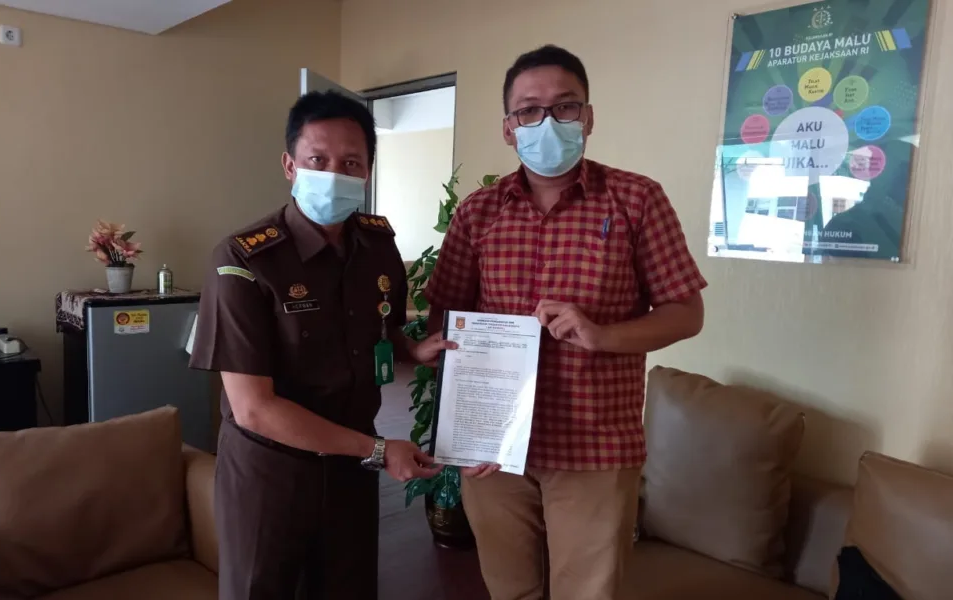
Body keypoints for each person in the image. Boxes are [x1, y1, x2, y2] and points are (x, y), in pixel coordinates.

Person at [424, 45, 708, 600]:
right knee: (510, 588)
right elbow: (446, 316)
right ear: (509, 128)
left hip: (593, 445)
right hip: (494, 448)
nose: (547, 121)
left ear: (589, 117)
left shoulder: (636, 200)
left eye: (565, 106)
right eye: (529, 110)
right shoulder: (478, 212)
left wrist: (603, 335)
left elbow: (686, 312)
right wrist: (461, 418)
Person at [189, 90, 453, 600]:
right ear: (290, 166)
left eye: (351, 162)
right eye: (318, 160)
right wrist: (379, 450)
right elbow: (254, 409)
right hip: (271, 473)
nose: (335, 172)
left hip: (352, 466)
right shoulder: (243, 260)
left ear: (368, 171)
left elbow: (381, 328)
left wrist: (413, 350)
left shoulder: (378, 246)